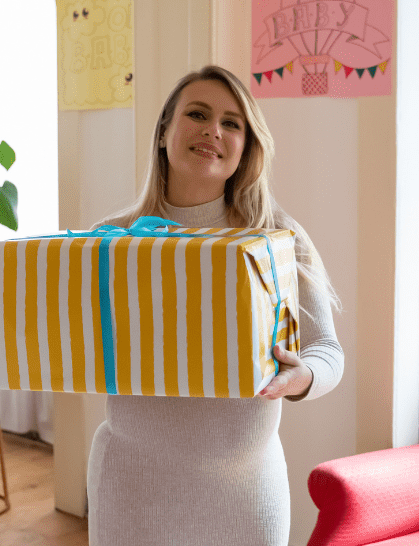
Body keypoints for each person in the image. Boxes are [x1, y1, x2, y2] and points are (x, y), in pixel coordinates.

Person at [87, 65, 344, 545]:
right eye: (198, 114)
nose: (213, 131)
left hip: (247, 495)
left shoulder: (276, 238)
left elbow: (327, 350)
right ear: (165, 131)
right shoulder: (112, 241)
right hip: (131, 488)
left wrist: (301, 377)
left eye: (232, 123)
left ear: (246, 146)